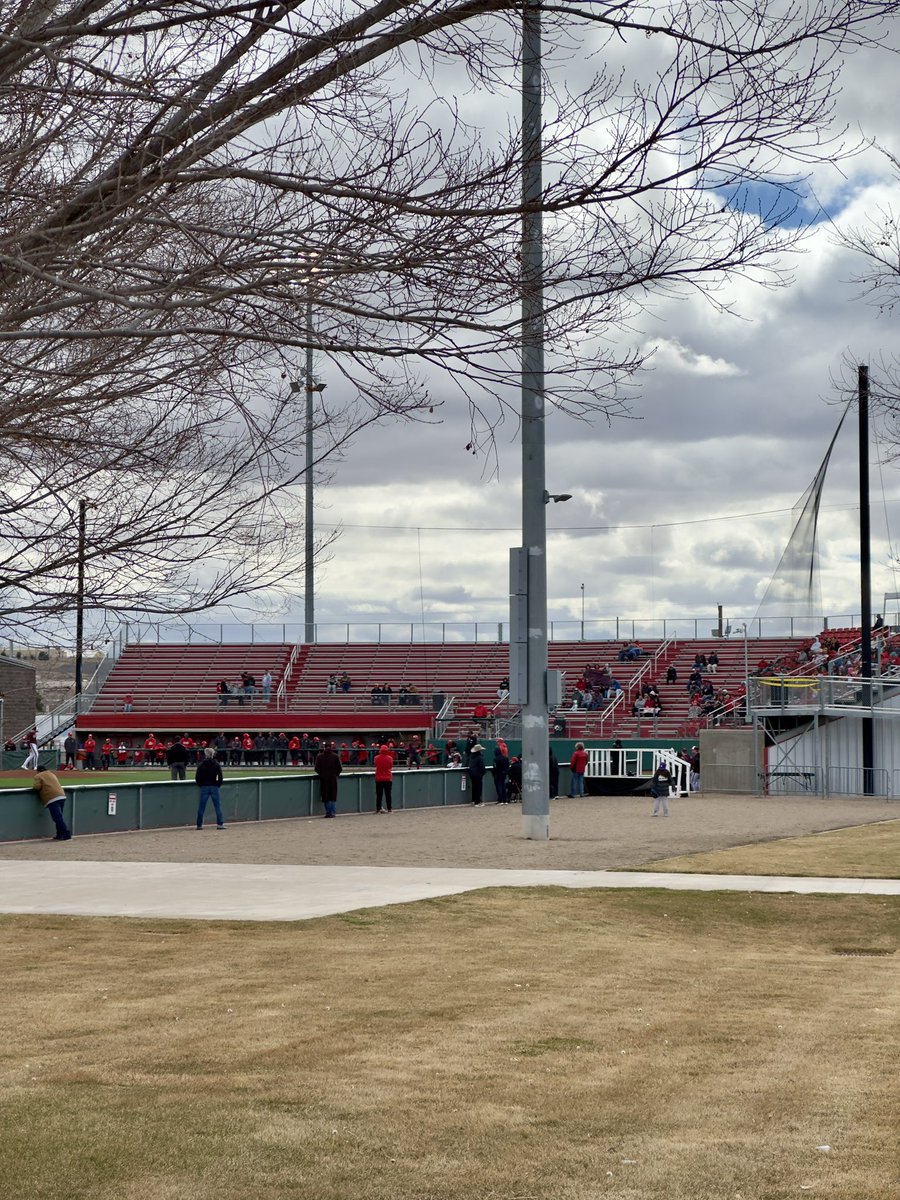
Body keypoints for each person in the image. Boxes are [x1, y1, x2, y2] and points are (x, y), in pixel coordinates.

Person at [31, 768, 72, 839]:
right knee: (59, 817)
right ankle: (59, 834)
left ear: (38, 771)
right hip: (62, 796)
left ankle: (66, 834)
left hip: (52, 798)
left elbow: (37, 787)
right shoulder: (52, 774)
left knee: (57, 818)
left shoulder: (38, 776)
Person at [195, 747, 225, 829]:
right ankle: (220, 824)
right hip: (214, 786)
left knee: (201, 807)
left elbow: (197, 777)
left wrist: (201, 784)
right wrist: (217, 784)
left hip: (204, 786)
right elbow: (220, 777)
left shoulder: (201, 765)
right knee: (217, 806)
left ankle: (199, 825)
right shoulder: (216, 764)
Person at [315, 742, 342, 817]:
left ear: (324, 747)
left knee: (325, 795)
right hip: (333, 778)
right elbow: (340, 768)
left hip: (324, 779)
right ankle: (332, 812)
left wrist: (321, 774)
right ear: (331, 747)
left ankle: (328, 812)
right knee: (333, 796)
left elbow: (316, 768)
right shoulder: (335, 756)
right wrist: (336, 774)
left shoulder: (320, 756)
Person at [373, 743, 394, 813]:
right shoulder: (390, 758)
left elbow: (375, 764)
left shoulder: (376, 758)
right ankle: (389, 809)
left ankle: (378, 809)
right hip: (388, 778)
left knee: (379, 795)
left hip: (379, 778)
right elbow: (390, 766)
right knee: (388, 794)